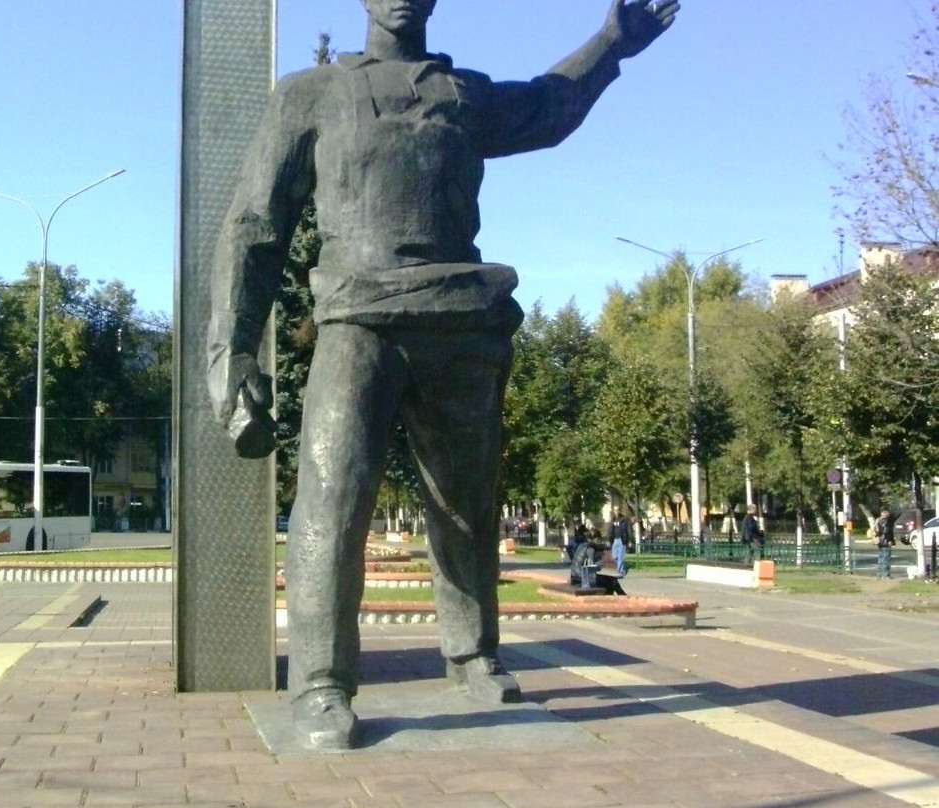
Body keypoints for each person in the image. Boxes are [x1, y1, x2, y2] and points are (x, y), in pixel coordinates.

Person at [207, 0, 680, 750]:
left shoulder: (463, 96)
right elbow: (255, 228)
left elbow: (550, 107)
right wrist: (231, 350)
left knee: (466, 506)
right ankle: (323, 684)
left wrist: (611, 44)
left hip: (460, 323)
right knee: (332, 502)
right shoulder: (311, 96)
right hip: (358, 323)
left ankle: (472, 654)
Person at [876, 507, 894, 579]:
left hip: (879, 541)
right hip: (885, 542)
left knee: (880, 558)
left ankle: (879, 574)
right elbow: (887, 531)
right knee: (886, 558)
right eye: (887, 512)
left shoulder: (878, 520)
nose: (888, 513)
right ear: (884, 513)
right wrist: (890, 540)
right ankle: (886, 574)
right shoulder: (886, 521)